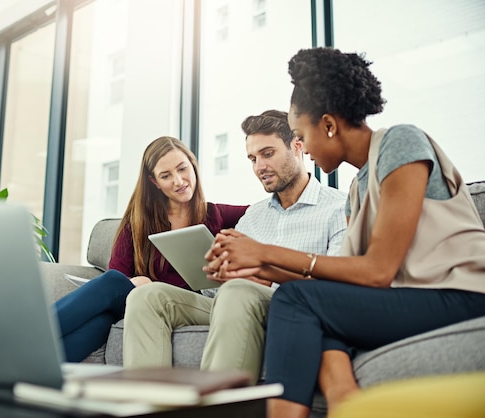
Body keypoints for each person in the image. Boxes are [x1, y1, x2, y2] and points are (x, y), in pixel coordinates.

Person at [205, 47, 485, 418]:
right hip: (407, 301)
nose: (303, 147)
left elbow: (378, 270)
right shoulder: (357, 190)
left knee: (294, 300)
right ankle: (345, 403)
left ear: (329, 125)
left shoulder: (400, 142)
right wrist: (249, 265)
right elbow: (344, 282)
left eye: (302, 134)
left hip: (460, 294)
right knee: (306, 300)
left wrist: (266, 253)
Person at [122, 110, 347, 383]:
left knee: (239, 291)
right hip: (228, 301)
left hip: (290, 305)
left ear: (297, 146)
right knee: (147, 297)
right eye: (253, 158)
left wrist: (261, 274)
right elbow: (212, 287)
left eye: (267, 153)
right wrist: (221, 272)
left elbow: (337, 287)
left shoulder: (337, 208)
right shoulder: (253, 215)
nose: (259, 166)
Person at [55, 136, 248, 362]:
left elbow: (266, 212)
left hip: (183, 303)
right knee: (107, 307)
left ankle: (24, 340)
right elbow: (118, 273)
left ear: (193, 166)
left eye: (183, 169)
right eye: (166, 176)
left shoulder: (216, 214)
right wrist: (138, 282)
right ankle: (31, 371)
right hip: (137, 301)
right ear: (154, 182)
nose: (178, 181)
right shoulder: (138, 221)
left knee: (106, 309)